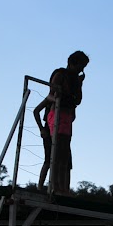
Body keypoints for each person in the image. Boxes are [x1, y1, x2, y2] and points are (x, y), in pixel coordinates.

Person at [44, 51, 89, 195]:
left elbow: (78, 100)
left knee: (65, 155)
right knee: (57, 153)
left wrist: (80, 84)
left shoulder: (75, 80)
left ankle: (63, 188)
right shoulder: (60, 74)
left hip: (67, 117)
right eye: (80, 66)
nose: (81, 70)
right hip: (57, 116)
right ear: (72, 63)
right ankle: (55, 187)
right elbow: (51, 95)